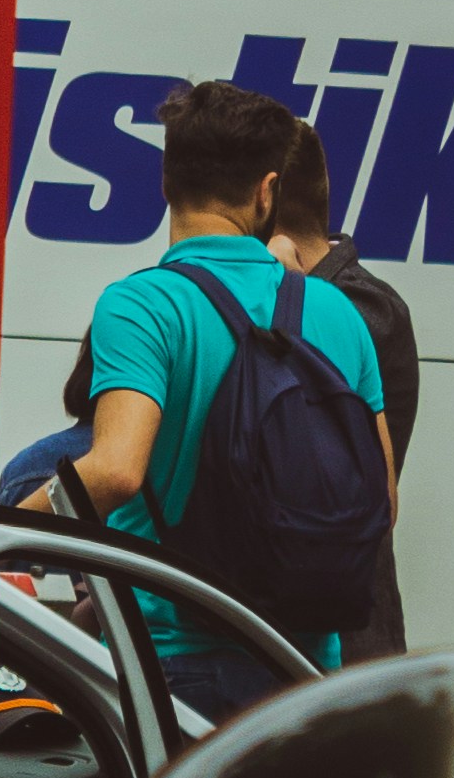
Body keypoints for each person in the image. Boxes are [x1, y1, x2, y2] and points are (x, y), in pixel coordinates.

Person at [46, 78, 390, 720]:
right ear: (267, 189)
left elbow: (116, 471)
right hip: (308, 668)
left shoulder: (143, 303)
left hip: (177, 665)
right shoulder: (337, 312)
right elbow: (381, 500)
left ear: (166, 181)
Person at [267, 118, 418, 661]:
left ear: (263, 202)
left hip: (346, 639)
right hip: (294, 627)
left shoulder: (366, 307)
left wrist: (281, 289)